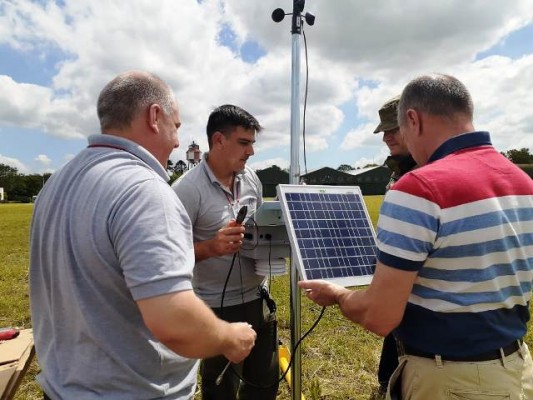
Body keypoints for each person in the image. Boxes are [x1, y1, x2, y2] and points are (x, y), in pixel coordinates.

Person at [299, 74, 533, 400]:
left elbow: (380, 316)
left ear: (413, 119)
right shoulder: (523, 182)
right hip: (517, 367)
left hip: (452, 380)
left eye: (402, 131)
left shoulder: (419, 187)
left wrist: (338, 294)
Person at [29, 71, 256, 400]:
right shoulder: (145, 190)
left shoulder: (57, 181)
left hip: (63, 386)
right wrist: (229, 337)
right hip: (132, 390)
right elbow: (173, 319)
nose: (178, 142)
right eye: (176, 126)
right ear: (154, 116)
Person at [172, 104, 279, 400]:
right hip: (215, 308)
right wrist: (210, 247)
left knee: (265, 381)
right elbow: (168, 258)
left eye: (252, 144)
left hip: (259, 296)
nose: (251, 152)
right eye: (244, 143)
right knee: (220, 388)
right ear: (218, 140)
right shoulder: (186, 190)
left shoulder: (252, 180)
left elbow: (259, 229)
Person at [372, 95, 416, 398]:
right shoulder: (398, 170)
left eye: (393, 128)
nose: (386, 137)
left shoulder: (428, 170)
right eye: (383, 130)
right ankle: (388, 380)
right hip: (398, 287)